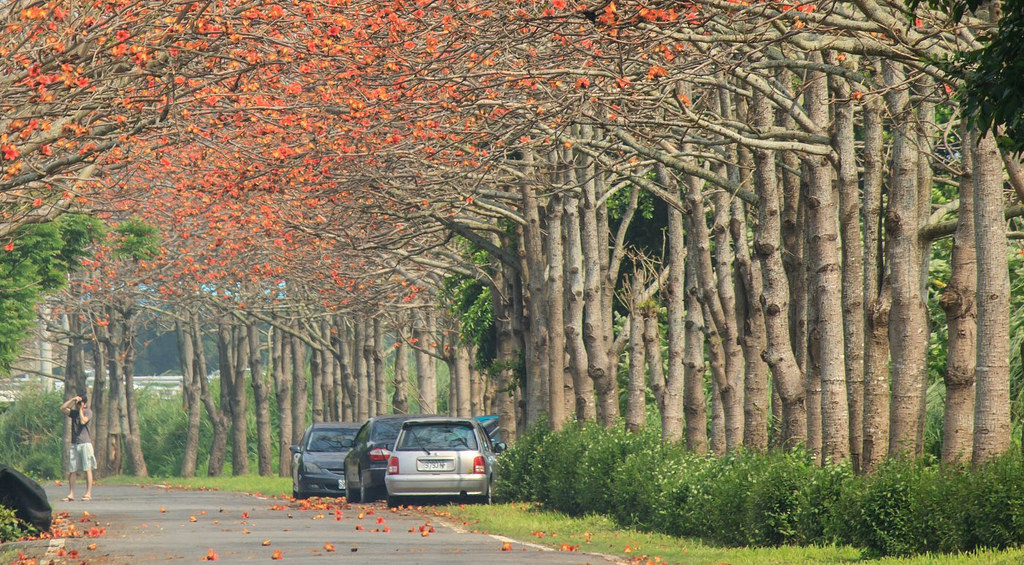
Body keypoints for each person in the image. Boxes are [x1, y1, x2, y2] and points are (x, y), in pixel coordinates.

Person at [59, 394, 95, 501]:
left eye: (80, 403)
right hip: (75, 444)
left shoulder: (88, 412)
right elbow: (62, 408)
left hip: (85, 443)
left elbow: (83, 421)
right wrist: (72, 399)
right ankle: (71, 494)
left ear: (85, 404)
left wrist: (81, 409)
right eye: (78, 403)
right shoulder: (74, 413)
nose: (78, 405)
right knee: (72, 469)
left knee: (87, 468)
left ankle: (88, 493)